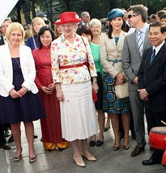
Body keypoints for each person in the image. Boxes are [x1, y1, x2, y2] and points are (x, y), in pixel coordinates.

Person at [51, 12, 98, 167]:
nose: (66, 27)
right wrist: (58, 88)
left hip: (84, 83)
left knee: (84, 117)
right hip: (67, 85)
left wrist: (95, 81)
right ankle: (76, 153)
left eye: (69, 25)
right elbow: (54, 68)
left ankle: (85, 150)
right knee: (72, 119)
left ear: (76, 25)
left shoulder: (83, 40)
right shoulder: (56, 44)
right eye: (63, 25)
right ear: (60, 27)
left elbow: (90, 62)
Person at [0, 22, 45, 163]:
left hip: (26, 89)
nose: (16, 37)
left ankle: (31, 149)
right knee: (14, 122)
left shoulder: (26, 50)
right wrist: (10, 89)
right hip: (8, 90)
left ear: (22, 36)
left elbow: (32, 71)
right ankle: (18, 149)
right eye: (14, 34)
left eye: (19, 35)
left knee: (28, 121)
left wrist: (25, 87)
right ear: (8, 35)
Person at [138, 21, 166, 165]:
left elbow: (165, 78)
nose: (152, 36)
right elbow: (141, 72)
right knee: (152, 128)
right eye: (150, 33)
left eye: (156, 33)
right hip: (148, 100)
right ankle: (155, 156)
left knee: (164, 131)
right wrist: (142, 90)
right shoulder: (148, 51)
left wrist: (148, 90)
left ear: (164, 34)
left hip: (163, 100)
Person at [33, 26, 69, 151]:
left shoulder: (58, 50)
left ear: (52, 37)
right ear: (39, 38)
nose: (45, 39)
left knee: (60, 114)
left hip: (57, 85)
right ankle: (48, 141)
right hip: (43, 88)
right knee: (46, 115)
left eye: (47, 36)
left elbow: (63, 67)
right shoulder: (35, 52)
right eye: (42, 36)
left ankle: (62, 140)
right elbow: (33, 72)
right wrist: (40, 86)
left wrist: (56, 83)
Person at [122, 4, 151, 157]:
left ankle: (156, 143)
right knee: (137, 116)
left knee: (153, 115)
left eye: (130, 16)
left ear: (139, 16)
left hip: (153, 83)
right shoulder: (128, 38)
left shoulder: (154, 32)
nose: (127, 19)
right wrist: (133, 78)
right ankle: (140, 143)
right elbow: (125, 61)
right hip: (134, 83)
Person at [100, 8, 131, 151]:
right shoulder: (104, 37)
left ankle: (126, 136)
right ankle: (116, 138)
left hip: (124, 75)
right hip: (110, 77)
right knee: (112, 110)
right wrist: (115, 74)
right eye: (115, 20)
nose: (118, 22)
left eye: (120, 19)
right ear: (110, 22)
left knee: (125, 109)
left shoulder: (128, 35)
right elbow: (103, 59)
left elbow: (129, 57)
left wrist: (122, 75)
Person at [89, 18, 105, 147]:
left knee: (100, 107)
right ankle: (92, 134)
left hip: (100, 76)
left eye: (97, 27)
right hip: (86, 77)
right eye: (92, 27)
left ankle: (101, 134)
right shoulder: (85, 45)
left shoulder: (102, 42)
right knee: (90, 108)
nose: (95, 29)